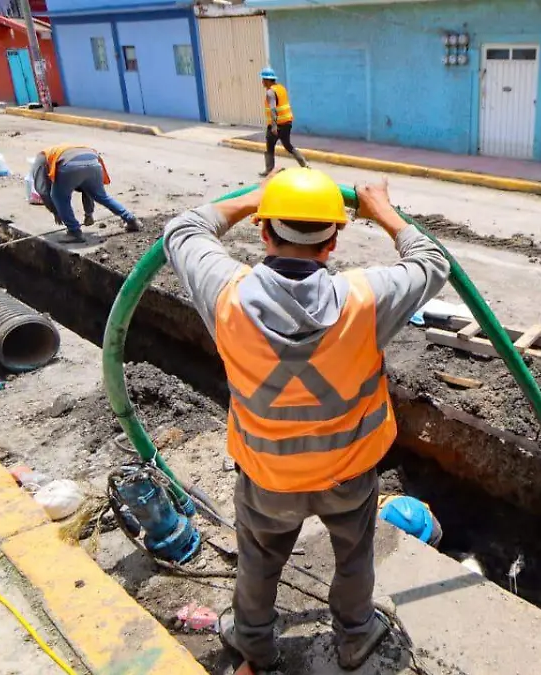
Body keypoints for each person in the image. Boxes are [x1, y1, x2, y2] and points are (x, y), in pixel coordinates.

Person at [163, 168, 449, 673]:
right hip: (348, 472)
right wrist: (381, 208)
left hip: (267, 476)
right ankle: (355, 637)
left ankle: (254, 645)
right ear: (333, 240)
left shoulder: (224, 291)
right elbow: (432, 260)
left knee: (258, 561)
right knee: (354, 557)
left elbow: (183, 230)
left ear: (264, 230)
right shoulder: (368, 298)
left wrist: (254, 195)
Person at [31, 145, 139, 244]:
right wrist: (89, 214)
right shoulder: (59, 151)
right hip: (93, 161)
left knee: (59, 197)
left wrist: (56, 211)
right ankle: (131, 219)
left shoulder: (40, 158)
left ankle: (74, 232)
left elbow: (42, 190)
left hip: (71, 164)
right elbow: (85, 187)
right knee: (102, 196)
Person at [260, 67, 309, 177]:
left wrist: (273, 126)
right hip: (287, 122)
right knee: (288, 145)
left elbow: (273, 109)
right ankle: (304, 164)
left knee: (270, 146)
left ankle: (269, 170)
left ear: (267, 80)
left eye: (263, 79)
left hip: (277, 125)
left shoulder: (270, 92)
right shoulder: (281, 88)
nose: (262, 82)